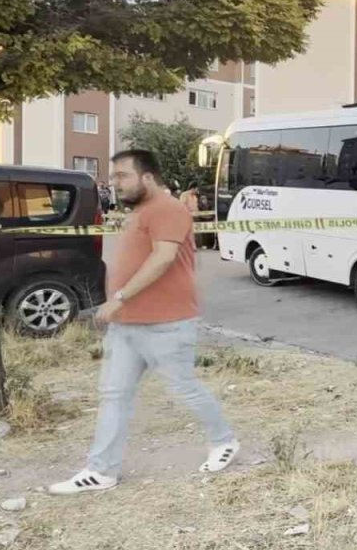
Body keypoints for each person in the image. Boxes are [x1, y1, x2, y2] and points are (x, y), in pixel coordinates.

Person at [48, 150, 238, 496]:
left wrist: (117, 298)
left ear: (147, 176)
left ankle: (224, 441)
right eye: (115, 176)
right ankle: (101, 471)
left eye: (122, 176)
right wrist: (119, 308)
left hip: (165, 322)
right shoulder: (140, 211)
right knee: (114, 395)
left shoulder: (167, 208)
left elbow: (163, 258)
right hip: (128, 325)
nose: (115, 183)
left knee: (183, 387)